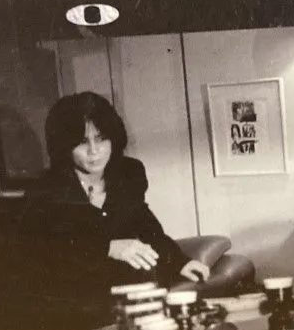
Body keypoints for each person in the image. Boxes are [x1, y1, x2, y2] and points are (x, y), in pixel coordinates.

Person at [16, 92, 254, 295]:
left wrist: (180, 262)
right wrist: (107, 248)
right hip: (74, 293)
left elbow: (146, 226)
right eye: (81, 142)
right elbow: (39, 252)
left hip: (131, 285)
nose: (94, 151)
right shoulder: (46, 190)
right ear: (63, 146)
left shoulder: (128, 173)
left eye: (101, 138)